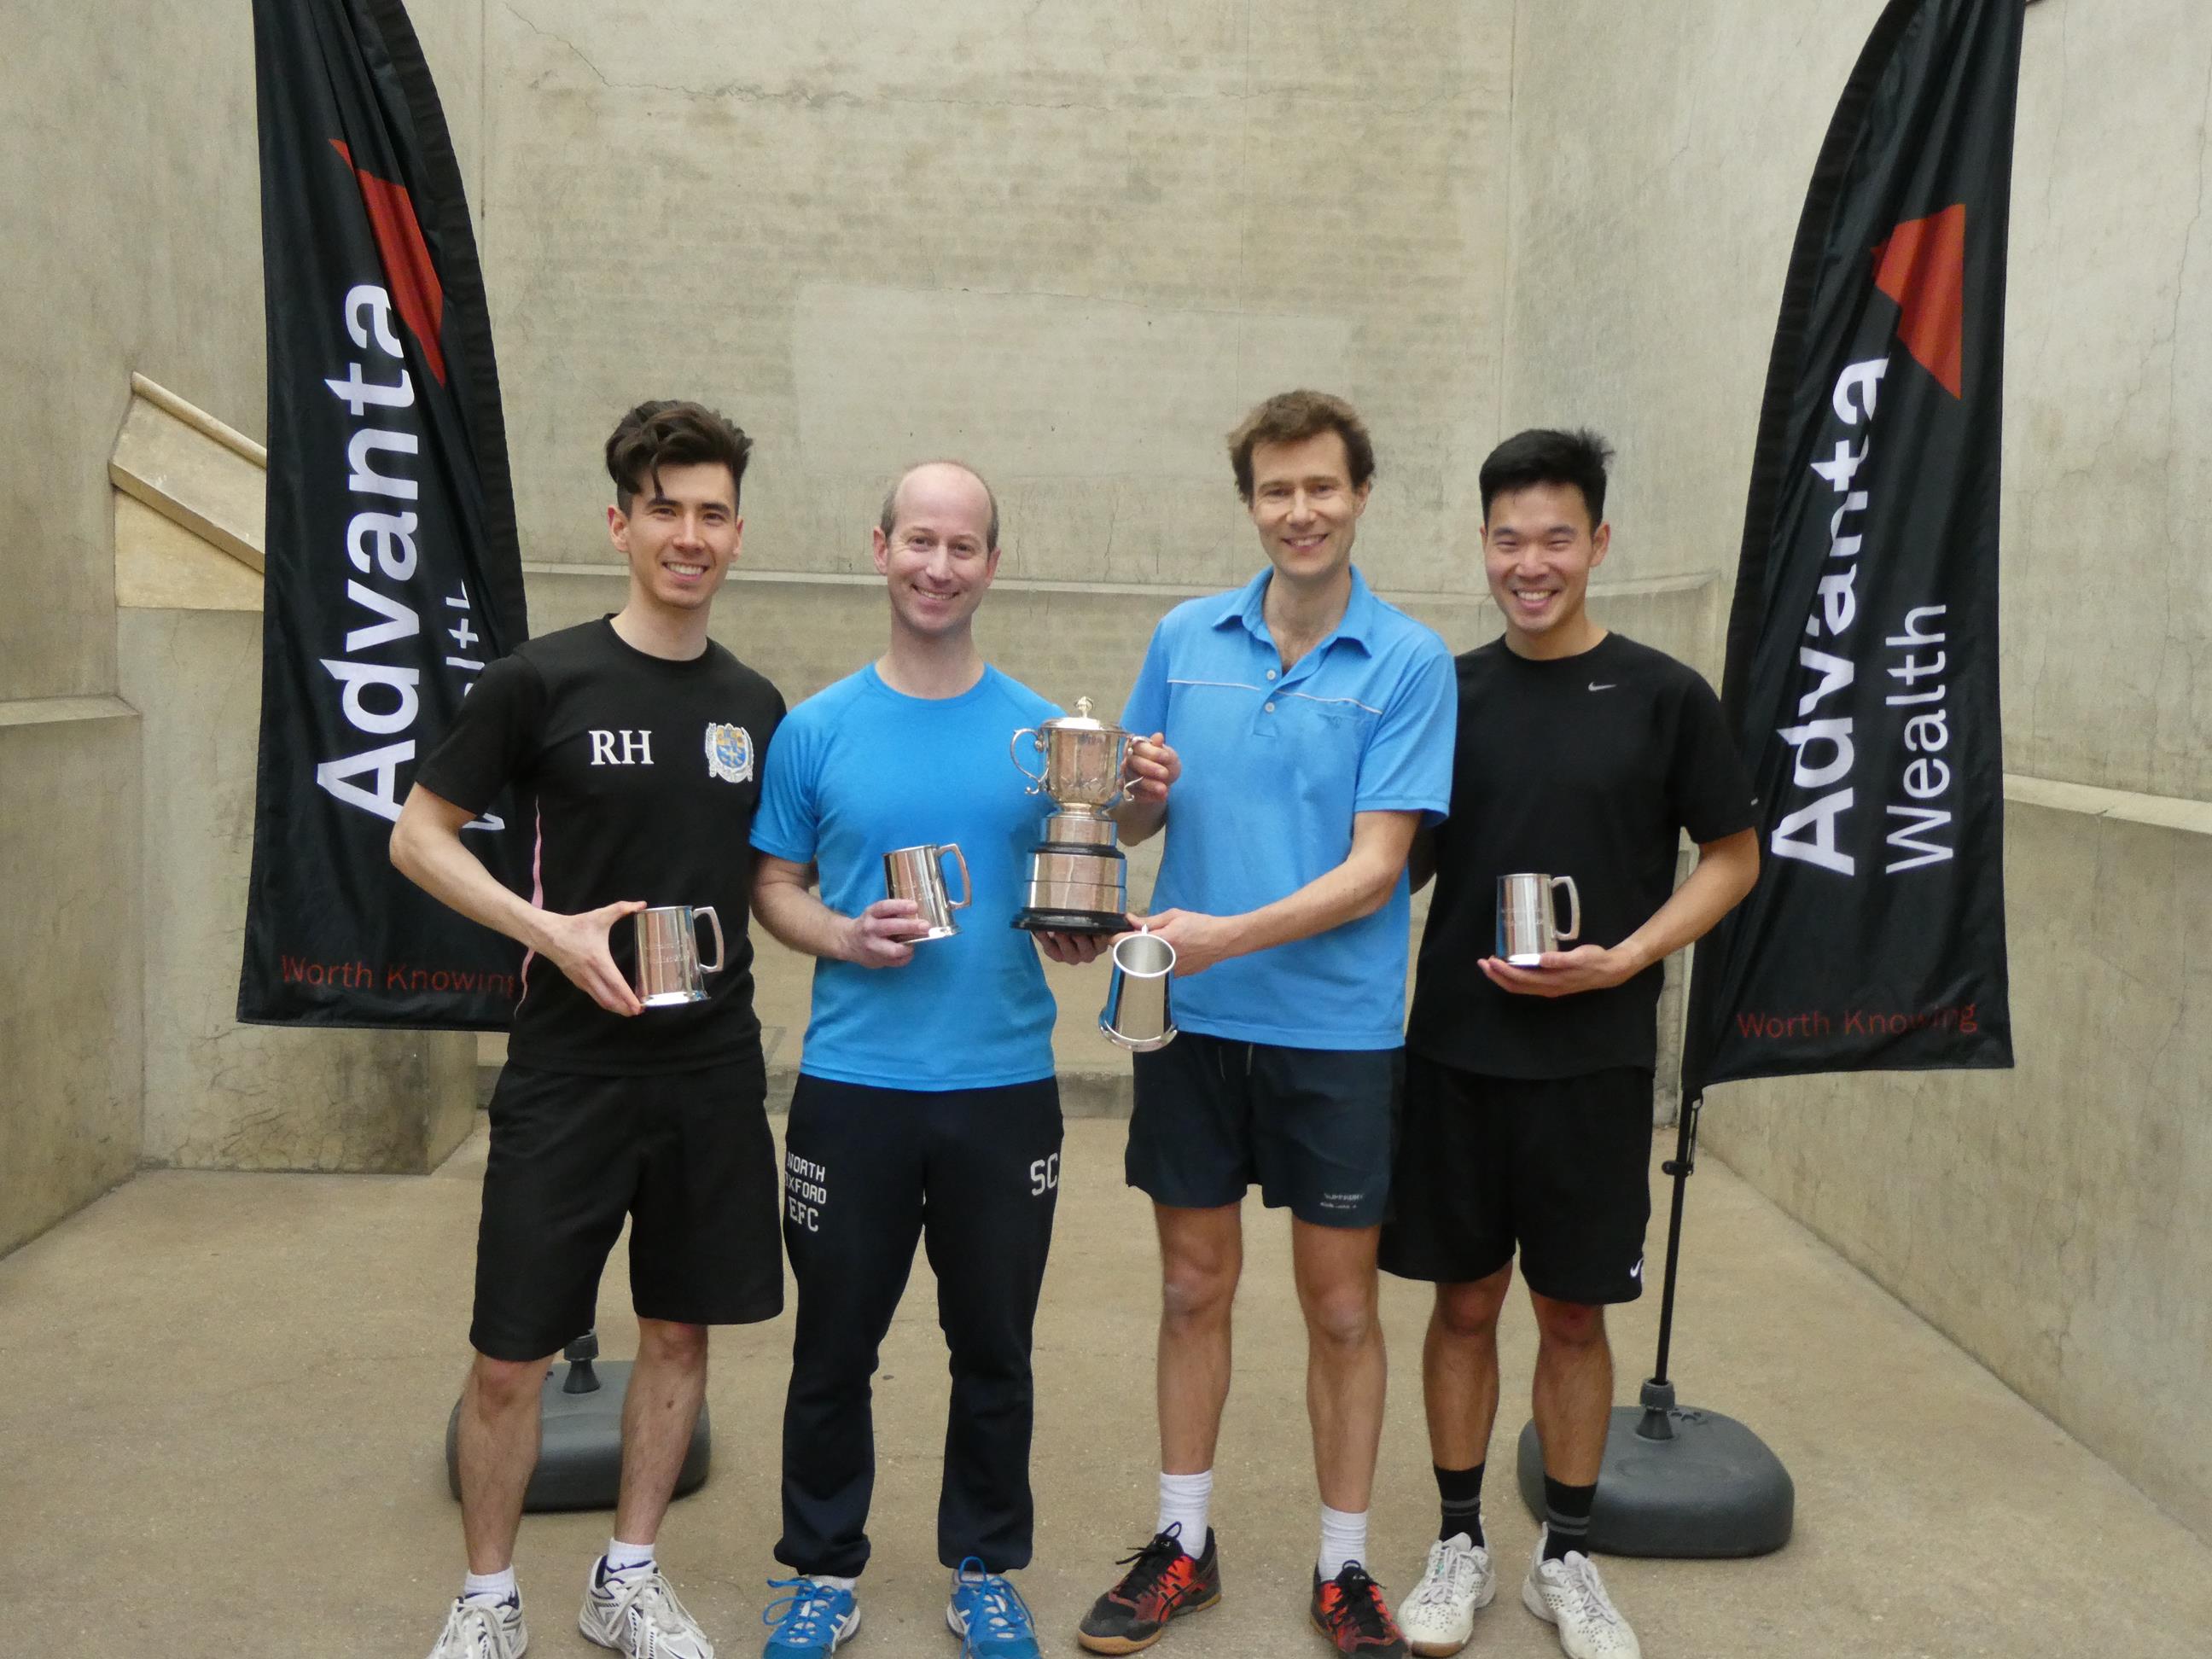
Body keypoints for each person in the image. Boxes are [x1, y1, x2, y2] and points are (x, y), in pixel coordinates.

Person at [391, 400, 785, 1659]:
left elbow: (775, 883)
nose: (689, 533)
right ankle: (487, 1597)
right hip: (567, 1069)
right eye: (664, 508)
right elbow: (416, 835)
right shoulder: (537, 680)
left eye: (711, 512)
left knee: (678, 1333)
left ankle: (626, 1574)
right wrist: (544, 929)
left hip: (713, 1069)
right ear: (620, 524)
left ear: (736, 532)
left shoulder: (756, 705)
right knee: (509, 1356)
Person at [1077, 390, 1456, 1659]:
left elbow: (1377, 869)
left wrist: (1224, 934)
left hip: (1340, 1037)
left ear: (1360, 496)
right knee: (1194, 1288)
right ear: (1251, 502)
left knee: (1342, 1311)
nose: (1301, 511)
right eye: (1276, 490)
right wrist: (1135, 794)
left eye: (1323, 488)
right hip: (1192, 1031)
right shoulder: (1186, 639)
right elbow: (1123, 825)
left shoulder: (1406, 662)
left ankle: (1344, 1571)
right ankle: (1184, 1545)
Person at [1381, 428, 1759, 1659]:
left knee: (1577, 1318)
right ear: (1481, 544)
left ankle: (1570, 1559)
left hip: (1595, 1065)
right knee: (1462, 1305)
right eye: (1508, 538)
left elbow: (1734, 857)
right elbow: (1386, 860)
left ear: (1598, 543)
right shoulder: (1444, 692)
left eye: (1556, 538)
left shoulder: (1664, 696)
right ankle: (1457, 1544)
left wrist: (1631, 956)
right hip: (1453, 1056)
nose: (1530, 563)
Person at [748, 461, 1131, 1659]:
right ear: (879, 547)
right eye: (920, 540)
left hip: (1003, 1091)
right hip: (853, 1090)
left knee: (994, 1350)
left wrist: (1080, 932)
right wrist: (845, 936)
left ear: (991, 565)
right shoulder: (816, 729)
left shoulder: (1042, 739)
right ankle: (820, 1569)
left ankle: (983, 1567)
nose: (938, 566)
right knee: (832, 1348)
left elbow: (1068, 896)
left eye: (963, 547)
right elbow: (773, 885)